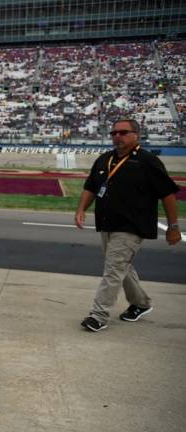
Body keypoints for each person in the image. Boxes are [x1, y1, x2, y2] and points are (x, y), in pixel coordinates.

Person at [75, 118, 181, 332]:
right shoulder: (104, 159)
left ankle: (99, 315)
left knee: (113, 268)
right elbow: (91, 187)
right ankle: (141, 303)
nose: (117, 136)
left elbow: (167, 194)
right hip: (107, 223)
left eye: (123, 132)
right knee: (122, 267)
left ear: (136, 135)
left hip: (132, 225)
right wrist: (81, 209)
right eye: (114, 132)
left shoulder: (148, 161)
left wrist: (173, 226)